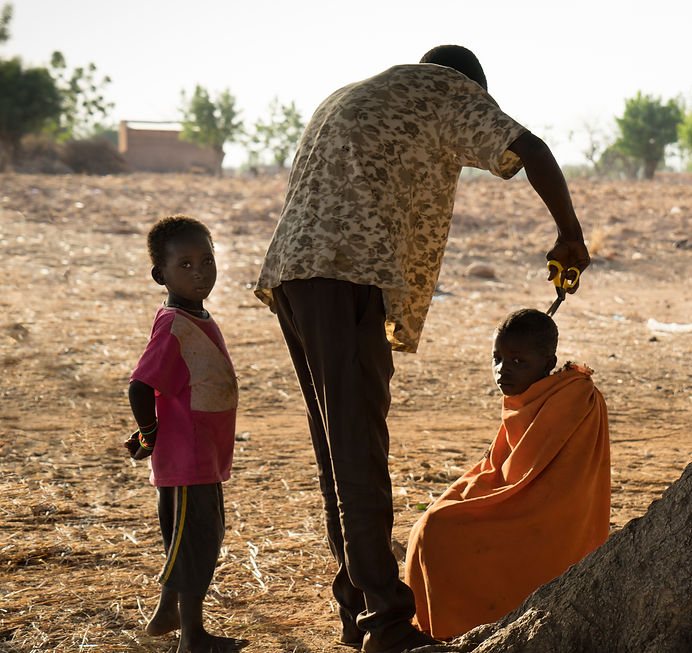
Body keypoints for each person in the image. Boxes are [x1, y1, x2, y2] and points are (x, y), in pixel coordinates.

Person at [252, 45, 591, 653]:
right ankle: (386, 623)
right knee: (357, 448)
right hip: (346, 274)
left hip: (294, 277)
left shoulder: (352, 93)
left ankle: (358, 608)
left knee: (337, 447)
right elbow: (531, 148)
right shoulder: (446, 91)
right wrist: (570, 232)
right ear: (470, 88)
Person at [404, 308, 610, 640]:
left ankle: (454, 629)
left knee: (439, 531)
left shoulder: (574, 398)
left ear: (548, 362)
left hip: (553, 521)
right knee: (430, 521)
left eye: (518, 362)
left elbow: (526, 476)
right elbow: (497, 465)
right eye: (497, 358)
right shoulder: (530, 396)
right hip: (521, 498)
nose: (502, 370)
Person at [125, 215, 246, 653]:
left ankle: (165, 616)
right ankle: (193, 637)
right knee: (196, 542)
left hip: (202, 456)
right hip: (186, 458)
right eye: (186, 265)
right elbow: (140, 385)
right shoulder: (174, 324)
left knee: (191, 540)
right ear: (161, 275)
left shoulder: (196, 316)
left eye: (207, 261)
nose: (200, 273)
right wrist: (149, 434)